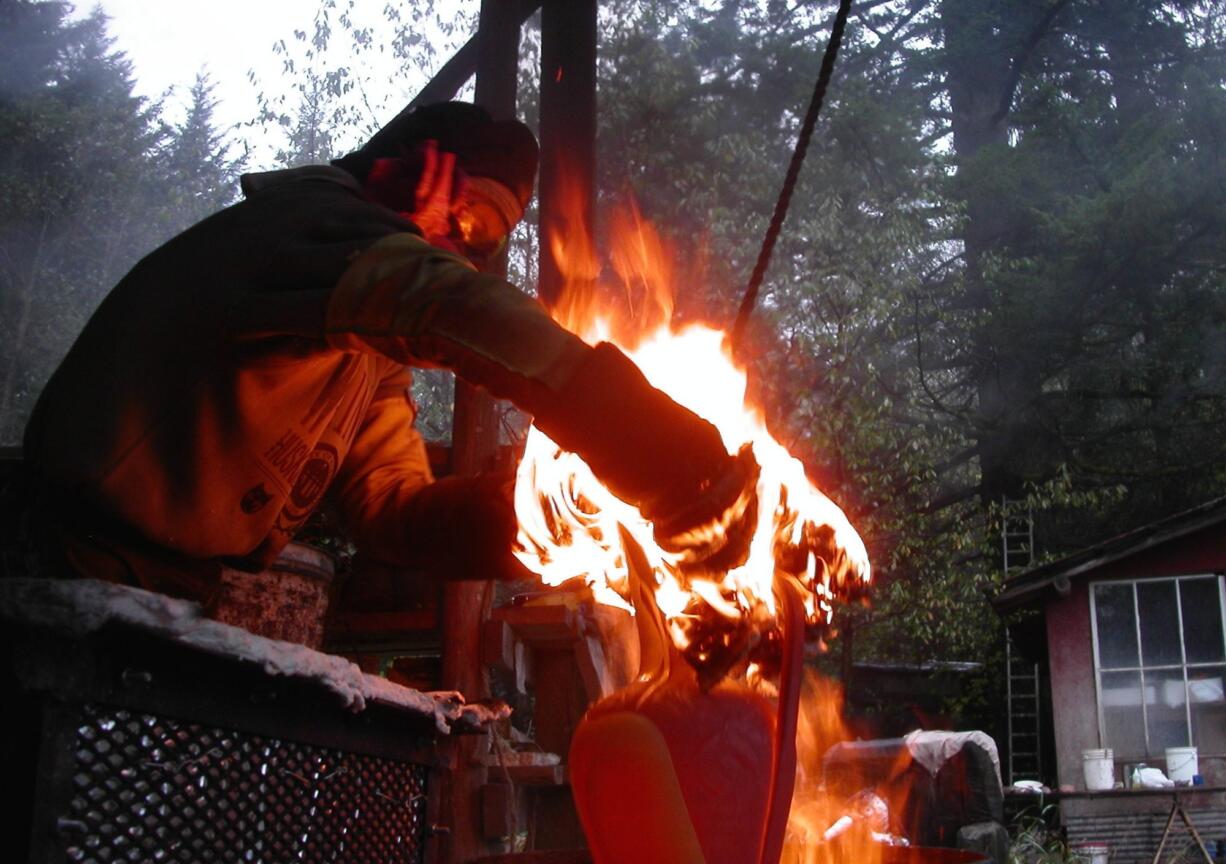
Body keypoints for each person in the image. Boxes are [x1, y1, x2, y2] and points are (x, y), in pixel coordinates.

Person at [15, 101, 754, 608]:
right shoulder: (306, 228)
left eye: (486, 242)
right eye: (465, 218)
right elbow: (446, 307)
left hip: (160, 596)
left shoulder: (361, 349)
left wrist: (557, 517)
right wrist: (661, 455)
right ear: (404, 171)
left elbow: (391, 510)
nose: (465, 251)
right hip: (54, 567)